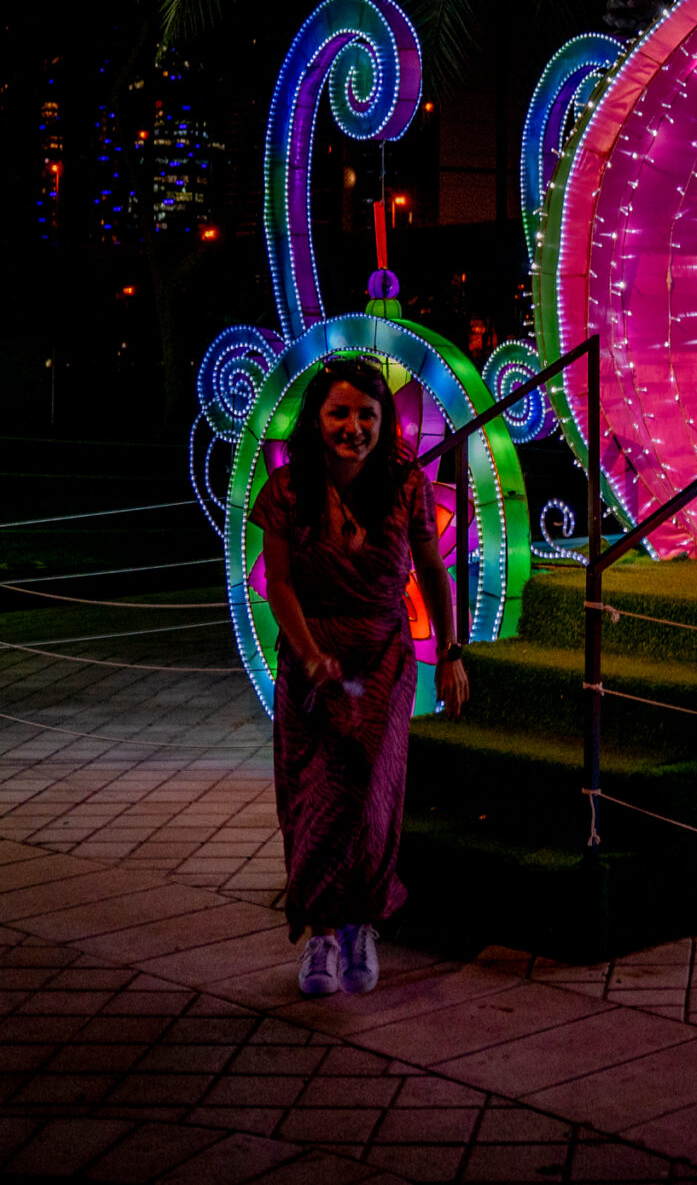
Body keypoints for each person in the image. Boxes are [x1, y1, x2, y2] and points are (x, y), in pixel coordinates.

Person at [253, 357, 470, 997]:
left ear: (385, 420)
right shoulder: (287, 490)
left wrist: (451, 651)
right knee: (312, 799)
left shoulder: (406, 485)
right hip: (310, 660)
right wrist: (309, 655)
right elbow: (279, 584)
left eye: (367, 414)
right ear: (317, 419)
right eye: (339, 413)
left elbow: (432, 571)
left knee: (372, 797)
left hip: (382, 660)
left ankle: (359, 927)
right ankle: (320, 935)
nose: (353, 427)